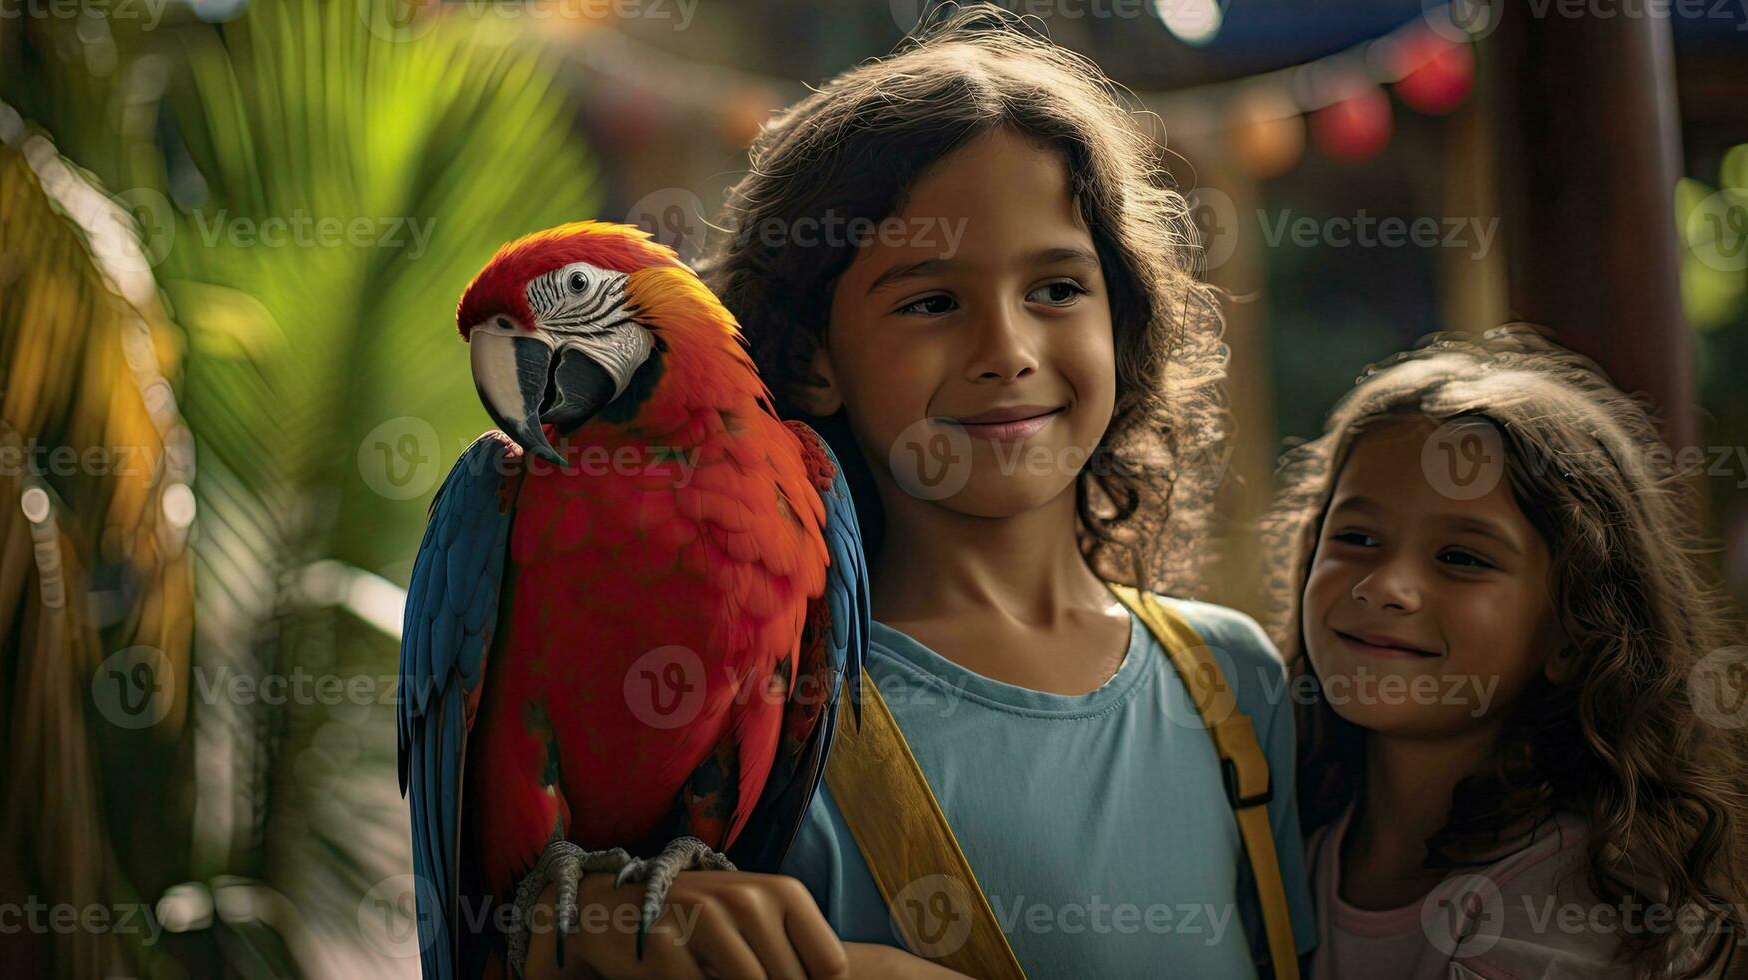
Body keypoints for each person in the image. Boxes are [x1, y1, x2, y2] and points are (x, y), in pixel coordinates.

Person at [522, 5, 1317, 977]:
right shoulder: (759, 724)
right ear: (815, 360)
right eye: (932, 302)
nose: (1009, 352)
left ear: (1123, 311)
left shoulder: (1233, 684)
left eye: (1057, 288)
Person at [1262, 327, 1748, 979]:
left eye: (1460, 558)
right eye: (1355, 536)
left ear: (1575, 632)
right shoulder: (1281, 830)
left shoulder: (1579, 908)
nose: (1382, 587)